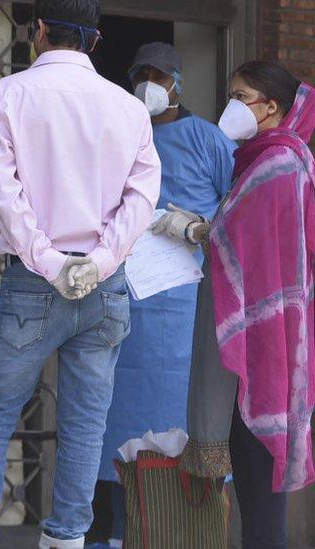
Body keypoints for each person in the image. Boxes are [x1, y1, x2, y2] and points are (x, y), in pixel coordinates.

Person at [0, 0, 162, 546]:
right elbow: (142, 198)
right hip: (104, 284)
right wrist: (98, 262)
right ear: (94, 39)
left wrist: (50, 263)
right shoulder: (128, 108)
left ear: (39, 31)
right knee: (86, 423)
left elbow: (5, 193)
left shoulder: (9, 94)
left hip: (32, 281)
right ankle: (67, 536)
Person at [86, 42, 236, 548]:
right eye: (140, 74)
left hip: (186, 308)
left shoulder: (207, 139)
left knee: (186, 417)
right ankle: (112, 531)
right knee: (114, 421)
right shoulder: (121, 136)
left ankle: (187, 527)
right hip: (125, 301)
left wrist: (196, 228)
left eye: (157, 75)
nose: (148, 83)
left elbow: (238, 213)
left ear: (176, 82)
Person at [170, 60, 315, 549]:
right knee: (253, 484)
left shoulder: (279, 163)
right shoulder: (260, 159)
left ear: (271, 107)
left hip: (266, 344)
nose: (231, 105)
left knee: (259, 484)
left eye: (242, 96)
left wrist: (196, 229)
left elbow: (243, 241)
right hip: (261, 335)